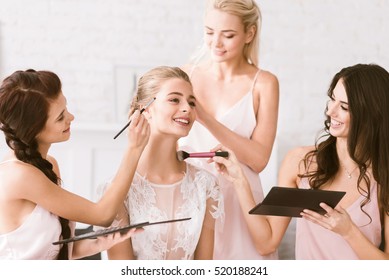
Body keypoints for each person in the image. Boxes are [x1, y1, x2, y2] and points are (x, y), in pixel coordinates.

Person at [211, 63, 389, 259]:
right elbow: (266, 243)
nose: (331, 112)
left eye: (344, 107)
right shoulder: (301, 162)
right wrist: (239, 180)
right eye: (332, 100)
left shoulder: (384, 177)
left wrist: (349, 231)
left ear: (371, 115)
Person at [0, 69, 150, 260]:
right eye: (60, 117)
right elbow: (102, 215)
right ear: (34, 129)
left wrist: (98, 243)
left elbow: (55, 250)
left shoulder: (48, 165)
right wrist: (135, 148)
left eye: (66, 108)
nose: (71, 118)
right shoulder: (18, 175)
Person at [178, 0, 279, 259]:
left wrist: (205, 117)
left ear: (249, 33)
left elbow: (258, 159)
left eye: (228, 35)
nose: (216, 43)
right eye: (209, 32)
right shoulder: (185, 76)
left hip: (240, 201)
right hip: (191, 199)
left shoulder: (264, 83)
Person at [100, 66, 224, 260]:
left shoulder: (206, 185)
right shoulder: (116, 191)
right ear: (146, 109)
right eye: (175, 99)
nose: (187, 108)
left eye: (191, 103)